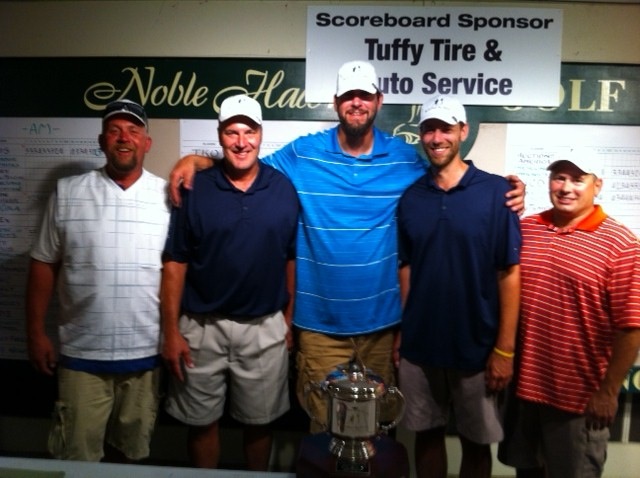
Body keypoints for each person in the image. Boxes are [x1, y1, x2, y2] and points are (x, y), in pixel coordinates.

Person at [168, 61, 526, 433]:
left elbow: (449, 175)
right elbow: (245, 167)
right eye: (349, 95)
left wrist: (504, 189)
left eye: (365, 95)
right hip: (318, 328)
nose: (357, 102)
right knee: (326, 436)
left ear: (379, 101)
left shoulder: (404, 158)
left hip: (382, 328)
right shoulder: (302, 155)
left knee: (374, 435)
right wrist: (197, 160)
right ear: (336, 101)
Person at [25, 99, 169, 462]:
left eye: (134, 131)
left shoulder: (169, 197)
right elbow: (43, 263)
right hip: (81, 356)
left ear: (146, 142)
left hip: (146, 354)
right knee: (77, 458)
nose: (124, 138)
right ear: (102, 140)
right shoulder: (68, 192)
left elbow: (177, 273)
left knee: (134, 456)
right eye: (115, 130)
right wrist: (35, 331)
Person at [160, 94, 299, 470]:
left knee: (260, 424)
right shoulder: (195, 188)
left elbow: (291, 256)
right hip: (201, 328)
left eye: (249, 131)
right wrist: (170, 331)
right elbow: (175, 261)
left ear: (260, 134)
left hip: (263, 327)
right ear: (220, 136)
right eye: (232, 132)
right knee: (201, 424)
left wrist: (287, 319)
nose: (241, 142)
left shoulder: (283, 188)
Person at [396, 96, 522, 478]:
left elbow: (509, 274)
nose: (436, 138)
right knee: (427, 437)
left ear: (463, 132)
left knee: (476, 443)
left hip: (478, 347)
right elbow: (407, 268)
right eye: (429, 129)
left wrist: (504, 348)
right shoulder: (411, 197)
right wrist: (405, 330)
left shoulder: (497, 194)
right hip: (421, 348)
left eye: (446, 129)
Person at [497, 155, 640, 478]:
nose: (566, 188)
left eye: (578, 180)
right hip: (524, 391)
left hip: (579, 399)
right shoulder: (527, 229)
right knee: (526, 471)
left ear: (597, 185)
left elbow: (630, 327)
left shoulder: (621, 244)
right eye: (559, 178)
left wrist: (608, 392)